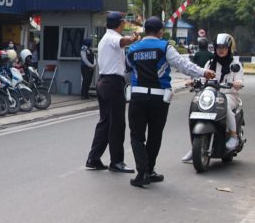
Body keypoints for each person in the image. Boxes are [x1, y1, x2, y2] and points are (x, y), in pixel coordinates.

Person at [125, 17, 215, 187]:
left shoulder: (132, 49)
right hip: (159, 99)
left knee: (137, 136)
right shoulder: (165, 46)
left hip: (137, 97)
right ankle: (149, 170)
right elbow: (183, 65)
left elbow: (128, 70)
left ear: (145, 30)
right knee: (155, 135)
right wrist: (204, 72)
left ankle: (143, 172)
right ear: (160, 32)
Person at [85, 11, 139, 173]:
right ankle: (116, 161)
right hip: (112, 83)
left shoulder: (104, 39)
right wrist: (133, 39)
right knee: (117, 123)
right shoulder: (112, 38)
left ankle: (93, 158)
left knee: (106, 122)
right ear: (119, 23)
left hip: (104, 82)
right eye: (123, 22)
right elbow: (122, 41)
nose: (124, 25)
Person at [181, 33, 243, 162]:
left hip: (229, 94)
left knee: (224, 105)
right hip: (210, 94)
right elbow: (203, 77)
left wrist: (238, 83)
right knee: (196, 107)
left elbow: (240, 79)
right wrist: (193, 81)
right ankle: (194, 147)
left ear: (229, 48)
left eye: (224, 47)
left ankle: (233, 136)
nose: (221, 50)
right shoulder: (210, 63)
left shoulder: (235, 64)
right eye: (218, 47)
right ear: (214, 48)